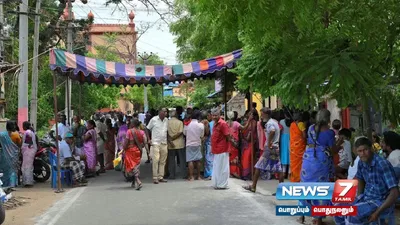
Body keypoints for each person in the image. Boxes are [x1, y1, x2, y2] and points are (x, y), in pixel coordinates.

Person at [334, 137, 399, 224]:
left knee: (352, 214)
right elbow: (360, 179)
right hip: (366, 197)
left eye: (365, 150)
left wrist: (377, 212)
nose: (363, 153)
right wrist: (359, 198)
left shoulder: (382, 164)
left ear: (371, 149)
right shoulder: (361, 162)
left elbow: (394, 192)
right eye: (360, 151)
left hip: (380, 201)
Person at [301, 109, 343, 225]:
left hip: (308, 159)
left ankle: (302, 216)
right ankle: (318, 219)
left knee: (305, 186)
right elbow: (332, 150)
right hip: (321, 162)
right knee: (321, 188)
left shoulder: (310, 128)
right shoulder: (329, 133)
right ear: (328, 119)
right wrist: (339, 144)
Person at [243, 107, 282, 193]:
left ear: (266, 114)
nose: (261, 115)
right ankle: (282, 190)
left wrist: (269, 143)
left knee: (258, 166)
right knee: (278, 169)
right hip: (275, 147)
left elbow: (272, 131)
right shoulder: (274, 122)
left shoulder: (269, 123)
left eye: (262, 114)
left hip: (270, 148)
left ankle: (253, 186)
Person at [146, 108, 169, 184]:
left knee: (163, 160)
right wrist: (149, 139)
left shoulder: (166, 120)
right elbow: (147, 129)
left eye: (166, 112)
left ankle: (161, 176)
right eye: (164, 111)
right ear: (159, 112)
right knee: (156, 160)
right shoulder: (154, 119)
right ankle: (155, 177)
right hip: (155, 142)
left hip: (164, 142)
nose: (165, 113)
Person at [210, 108, 230, 189]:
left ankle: (221, 184)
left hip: (222, 149)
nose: (214, 117)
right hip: (216, 149)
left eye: (216, 115)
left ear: (219, 115)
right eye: (213, 115)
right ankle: (217, 183)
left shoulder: (222, 124)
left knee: (222, 167)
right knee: (217, 167)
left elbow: (227, 136)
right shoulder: (215, 123)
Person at [123, 119, 144, 190]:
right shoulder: (141, 132)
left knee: (132, 167)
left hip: (130, 151)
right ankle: (134, 182)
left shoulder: (129, 131)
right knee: (136, 166)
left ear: (133, 124)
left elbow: (126, 142)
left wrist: (124, 148)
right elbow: (144, 142)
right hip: (138, 151)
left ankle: (138, 181)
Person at [184, 110, 204, 181]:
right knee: (198, 160)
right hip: (197, 143)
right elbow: (202, 135)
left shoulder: (187, 125)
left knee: (190, 160)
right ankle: (198, 176)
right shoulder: (201, 125)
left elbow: (185, 134)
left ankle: (191, 176)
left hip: (189, 144)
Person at [167, 109, 186, 179]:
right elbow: (181, 132)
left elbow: (166, 132)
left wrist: (170, 139)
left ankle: (172, 175)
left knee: (171, 160)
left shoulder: (167, 122)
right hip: (180, 143)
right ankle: (184, 174)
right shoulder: (180, 122)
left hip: (170, 144)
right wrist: (174, 138)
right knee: (182, 160)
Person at [0, 121, 20, 187]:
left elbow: (15, 146)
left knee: (10, 171)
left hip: (11, 156)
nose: (15, 127)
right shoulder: (3, 135)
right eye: (13, 125)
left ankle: (9, 185)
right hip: (4, 155)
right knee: (5, 171)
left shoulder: (13, 134)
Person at [289, 112, 307, 182]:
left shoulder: (292, 124)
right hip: (300, 147)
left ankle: (294, 178)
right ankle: (299, 177)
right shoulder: (301, 124)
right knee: (300, 162)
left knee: (294, 163)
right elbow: (304, 135)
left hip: (293, 147)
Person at [241, 109, 258, 180]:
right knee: (244, 157)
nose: (249, 114)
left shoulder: (254, 122)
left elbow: (253, 131)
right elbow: (242, 129)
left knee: (248, 158)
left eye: (251, 113)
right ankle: (244, 173)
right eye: (249, 113)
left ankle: (248, 174)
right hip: (244, 142)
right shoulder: (245, 121)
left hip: (250, 142)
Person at [21, 122, 37, 187]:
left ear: (25, 126)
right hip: (29, 150)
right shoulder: (30, 132)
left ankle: (28, 182)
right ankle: (28, 181)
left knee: (27, 166)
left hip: (28, 150)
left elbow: (29, 142)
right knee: (28, 166)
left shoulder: (28, 132)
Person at [227, 111, 241, 178]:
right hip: (234, 142)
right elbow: (243, 128)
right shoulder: (236, 123)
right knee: (235, 157)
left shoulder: (226, 123)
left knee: (229, 157)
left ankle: (230, 172)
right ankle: (234, 172)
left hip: (229, 142)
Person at [279, 111, 291, 177]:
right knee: (290, 154)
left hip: (283, 138)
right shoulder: (293, 122)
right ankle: (289, 172)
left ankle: (283, 172)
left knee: (284, 154)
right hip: (291, 138)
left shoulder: (281, 121)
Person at [202, 111, 213, 179]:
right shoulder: (216, 123)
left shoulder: (209, 123)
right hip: (213, 143)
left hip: (209, 143)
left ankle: (210, 173)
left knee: (208, 159)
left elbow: (207, 133)